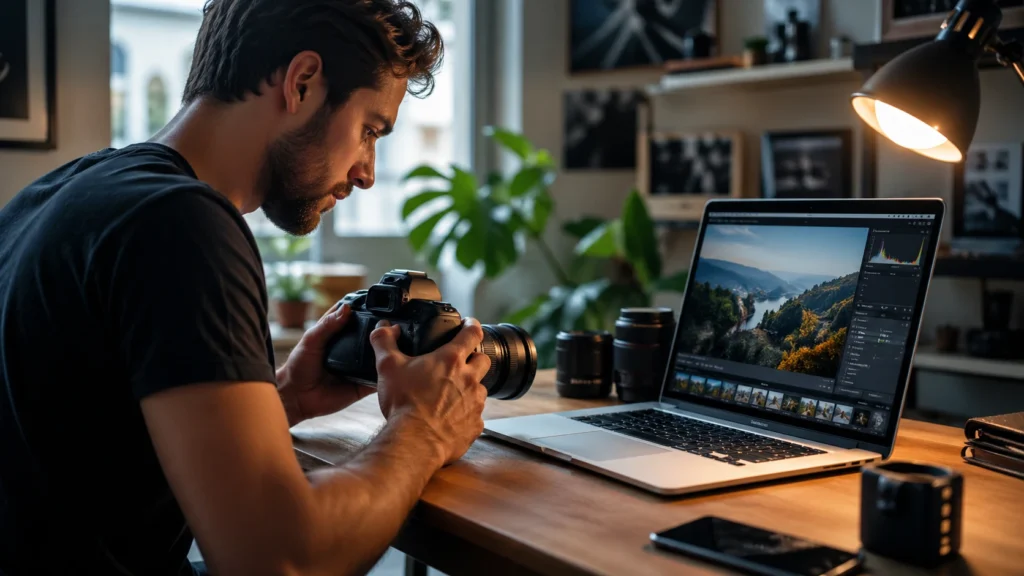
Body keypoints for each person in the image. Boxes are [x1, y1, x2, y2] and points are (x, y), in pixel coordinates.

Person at [0, 1, 490, 575]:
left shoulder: (60, 194)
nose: (367, 172)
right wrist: (423, 429)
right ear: (302, 82)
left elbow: (89, 452)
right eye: (369, 130)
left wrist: (284, 399)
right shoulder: (181, 223)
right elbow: (278, 559)